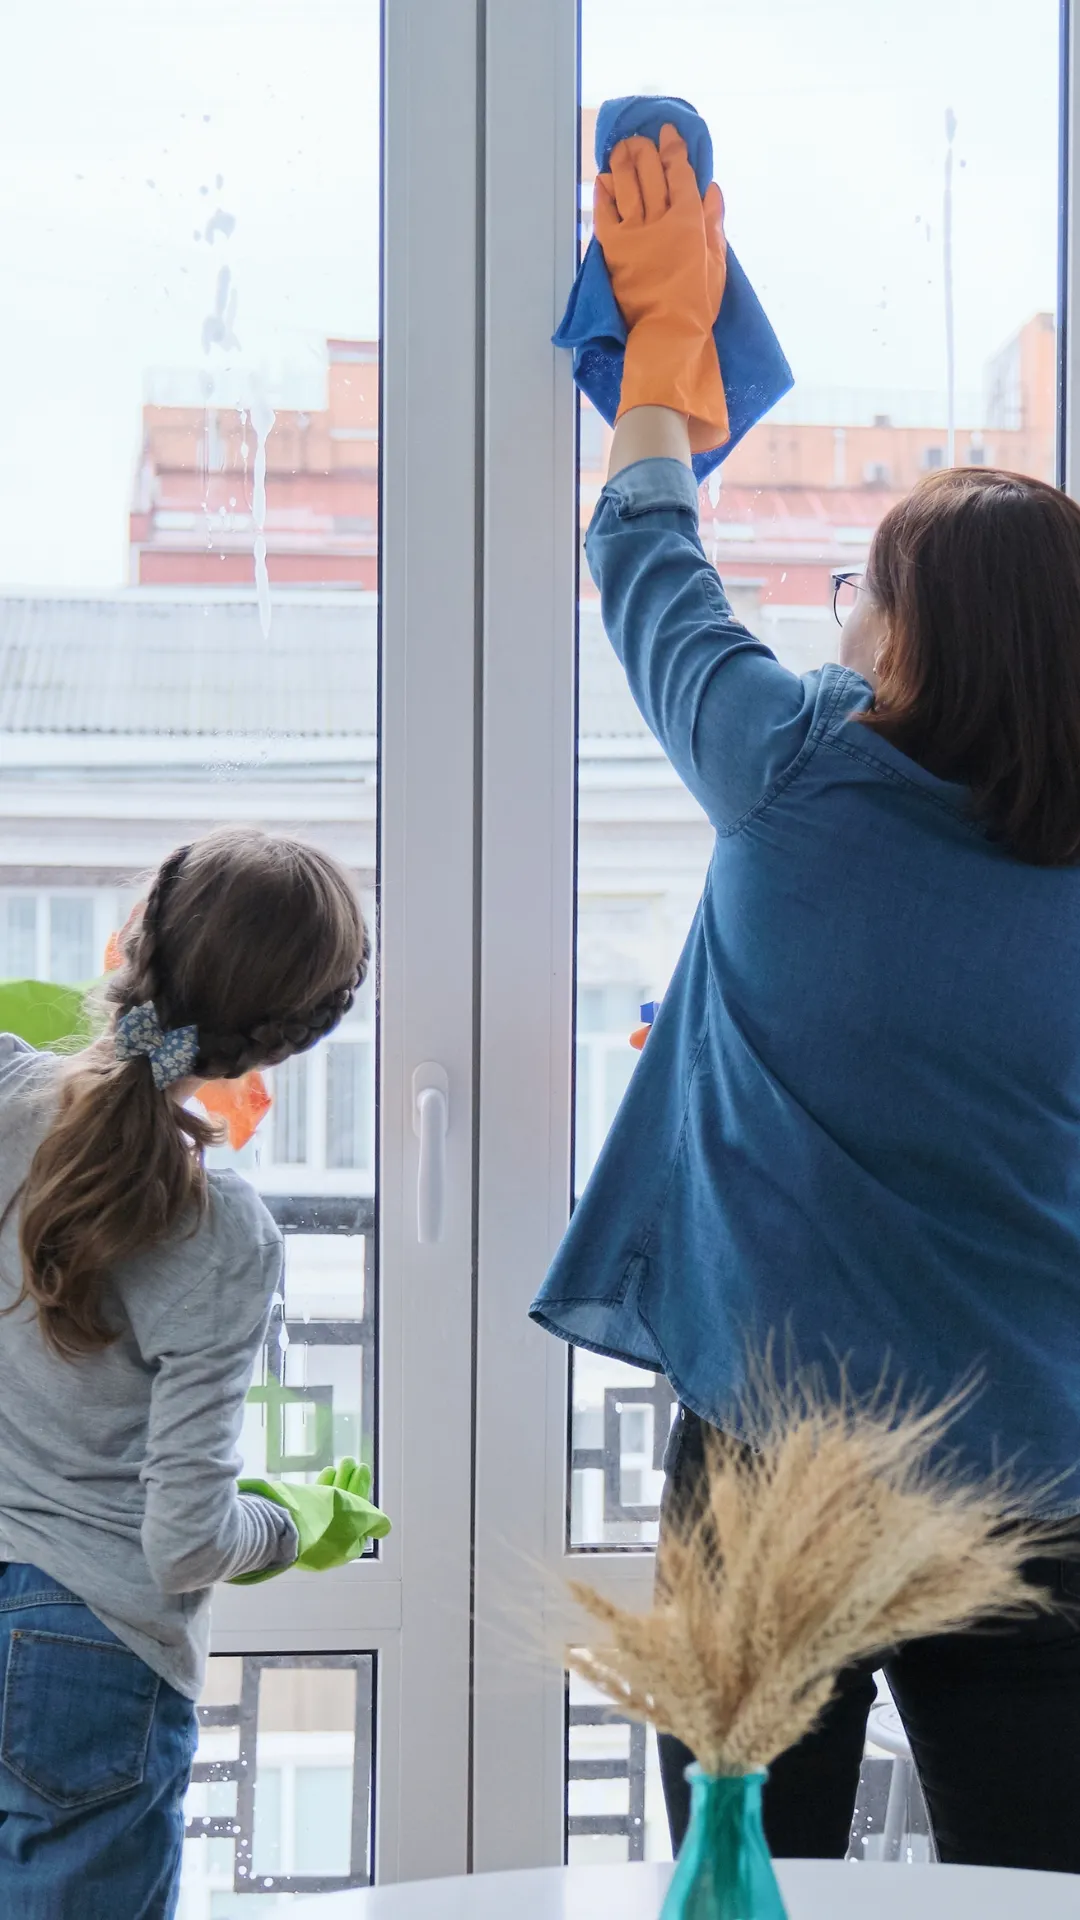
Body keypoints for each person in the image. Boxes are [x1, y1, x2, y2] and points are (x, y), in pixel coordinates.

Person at [530, 128, 1080, 1869]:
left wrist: (669, 372)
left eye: (865, 590)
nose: (840, 615)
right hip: (1047, 1479)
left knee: (741, 1875)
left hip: (778, 1466)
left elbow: (645, 557)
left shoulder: (792, 775)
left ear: (910, 642)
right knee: (1042, 1881)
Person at [0, 826, 373, 1917]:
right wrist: (295, 1520)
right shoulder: (222, 1232)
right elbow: (187, 1541)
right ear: (288, 1043)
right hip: (91, 1649)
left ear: (128, 941)